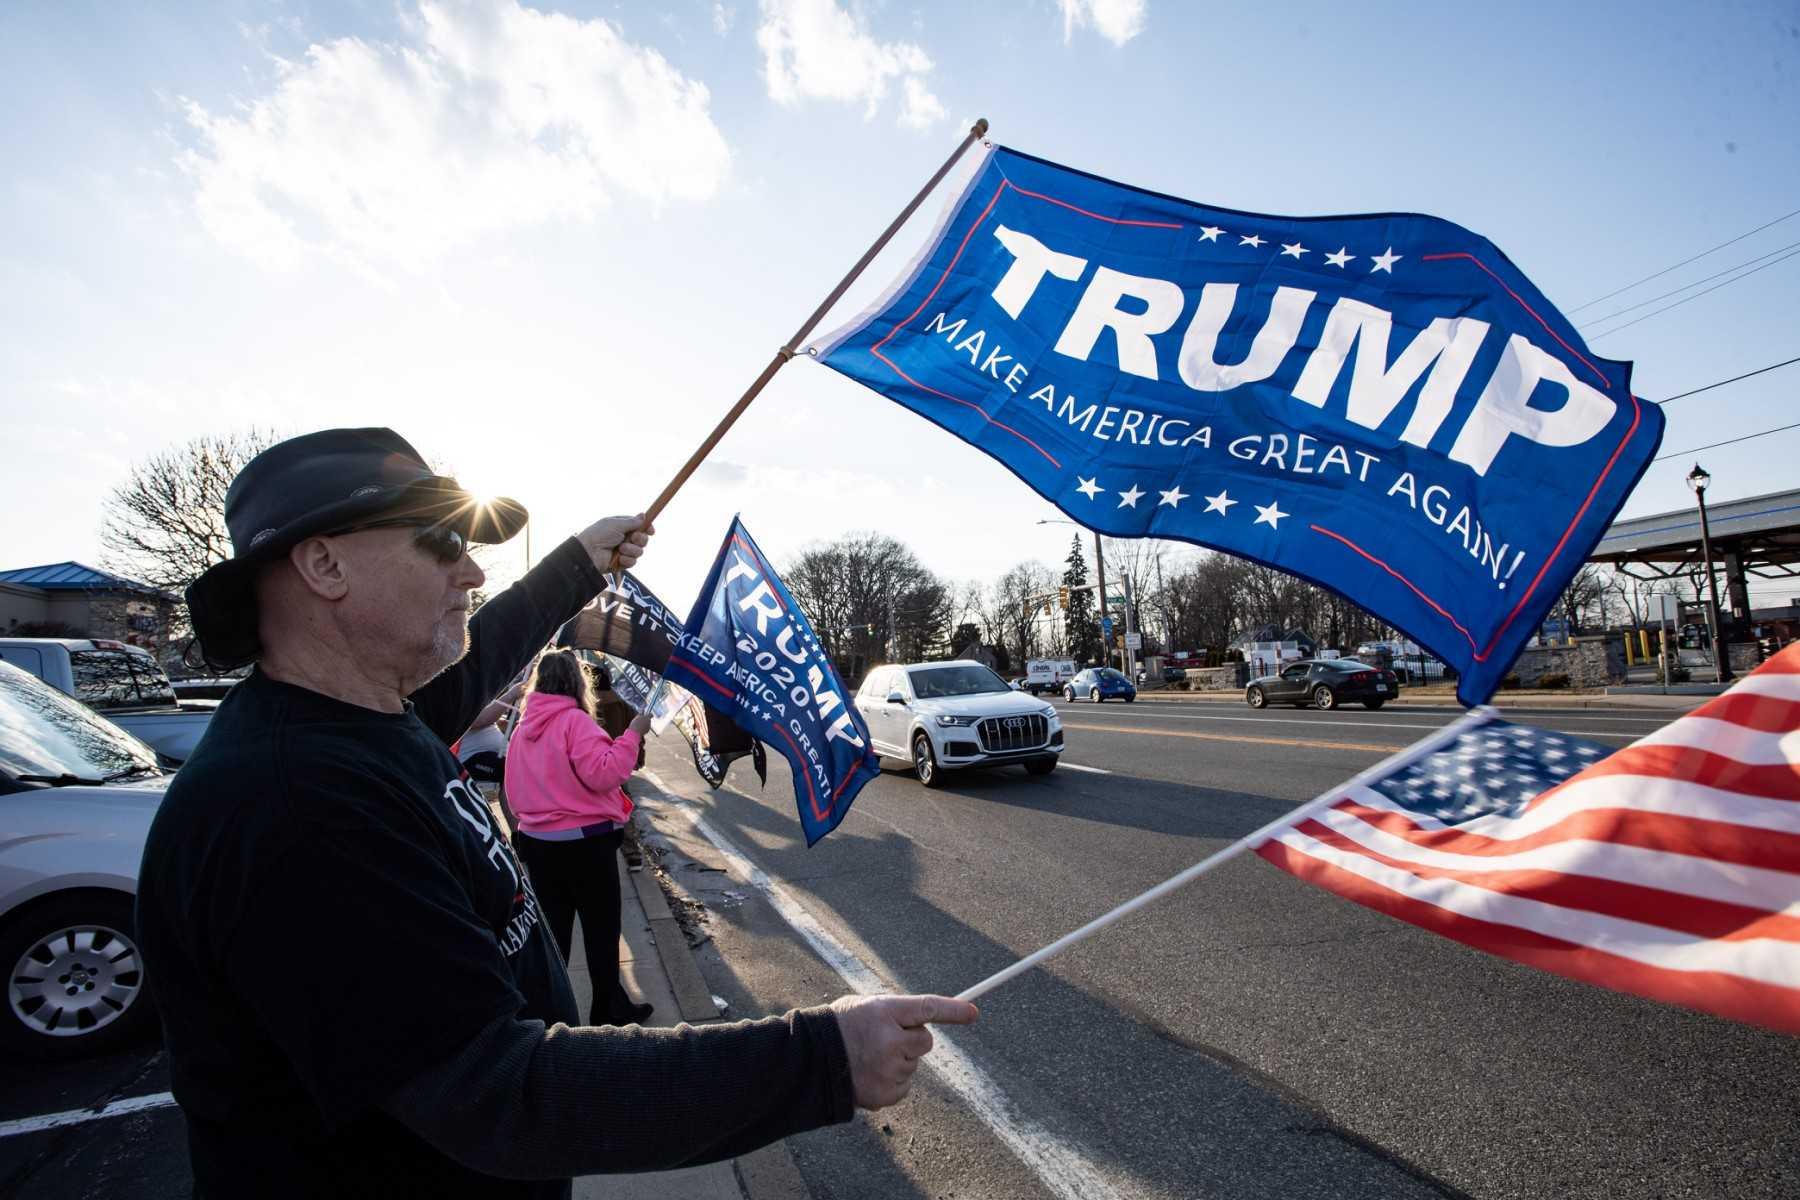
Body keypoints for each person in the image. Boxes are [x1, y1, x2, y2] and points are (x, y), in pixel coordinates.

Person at [135, 427, 976, 1199]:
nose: (471, 572)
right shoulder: (298, 808)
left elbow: (479, 657)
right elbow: (496, 1093)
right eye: (441, 546)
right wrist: (821, 1059)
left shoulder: (362, 714)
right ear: (324, 567)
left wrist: (578, 563)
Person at [504, 648, 654, 1027]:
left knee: (554, 936)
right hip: (585, 843)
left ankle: (551, 1014)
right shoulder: (575, 722)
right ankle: (607, 1009)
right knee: (601, 931)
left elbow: (512, 788)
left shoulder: (523, 728)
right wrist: (632, 735)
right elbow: (605, 774)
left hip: (538, 843)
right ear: (576, 682)